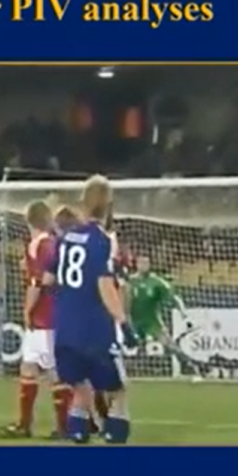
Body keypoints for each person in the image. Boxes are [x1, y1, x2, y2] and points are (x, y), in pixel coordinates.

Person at [48, 176, 139, 444]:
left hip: (65, 329)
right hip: (94, 330)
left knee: (80, 386)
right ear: (109, 205)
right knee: (118, 389)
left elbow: (48, 279)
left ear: (83, 203)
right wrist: (123, 322)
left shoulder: (65, 238)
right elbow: (104, 286)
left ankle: (77, 431)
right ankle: (114, 434)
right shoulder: (101, 241)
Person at [1, 201, 69, 440]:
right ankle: (24, 424)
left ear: (28, 220)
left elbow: (37, 282)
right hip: (54, 314)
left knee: (53, 371)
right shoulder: (53, 243)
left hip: (45, 317)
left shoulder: (39, 244)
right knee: (28, 367)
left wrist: (28, 309)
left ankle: (64, 427)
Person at [126, 255, 196, 360]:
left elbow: (174, 297)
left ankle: (189, 363)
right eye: (141, 263)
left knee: (170, 345)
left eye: (146, 263)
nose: (144, 265)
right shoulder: (130, 281)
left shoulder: (156, 281)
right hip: (132, 321)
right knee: (129, 348)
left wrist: (183, 312)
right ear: (136, 264)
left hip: (152, 322)